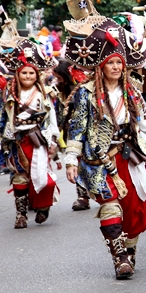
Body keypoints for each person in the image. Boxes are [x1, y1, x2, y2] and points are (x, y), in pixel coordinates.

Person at [63, 15, 146, 279]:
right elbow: (77, 128)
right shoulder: (86, 93)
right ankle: (119, 259)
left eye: (119, 62)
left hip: (130, 158)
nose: (116, 67)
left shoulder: (132, 92)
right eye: (111, 63)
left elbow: (143, 122)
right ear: (101, 66)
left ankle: (129, 251)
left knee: (136, 211)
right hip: (100, 160)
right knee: (110, 206)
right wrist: (71, 159)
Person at [0, 24, 60, 229]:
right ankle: (21, 215)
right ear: (17, 75)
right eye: (24, 73)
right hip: (16, 141)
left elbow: (51, 119)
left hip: (39, 140)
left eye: (31, 73)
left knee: (44, 179)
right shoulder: (8, 95)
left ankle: (44, 206)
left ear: (37, 75)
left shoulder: (46, 94)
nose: (27, 77)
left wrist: (53, 139)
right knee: (20, 178)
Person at [50, 59, 92, 211]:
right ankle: (82, 196)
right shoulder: (61, 90)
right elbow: (59, 113)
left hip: (90, 131)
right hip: (72, 132)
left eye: (59, 78)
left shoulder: (84, 86)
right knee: (77, 162)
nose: (57, 81)